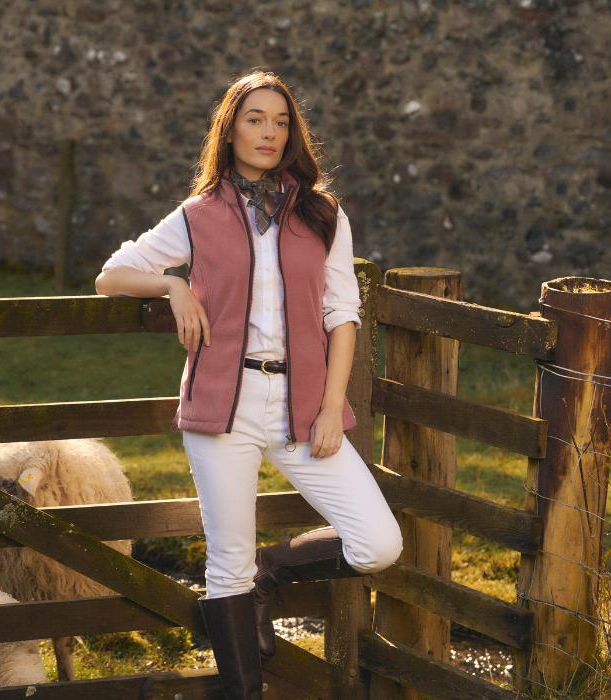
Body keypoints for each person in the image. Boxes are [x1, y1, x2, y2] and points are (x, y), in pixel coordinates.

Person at [96, 70, 403, 700]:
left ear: (293, 133)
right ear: (230, 128)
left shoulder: (323, 214)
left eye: (281, 121)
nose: (268, 132)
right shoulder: (198, 214)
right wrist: (172, 284)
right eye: (255, 118)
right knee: (225, 565)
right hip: (220, 409)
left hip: (302, 410)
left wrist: (327, 411)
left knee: (378, 544)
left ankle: (275, 569)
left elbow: (343, 316)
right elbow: (112, 275)